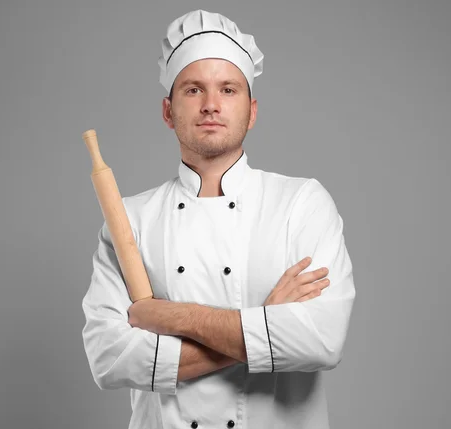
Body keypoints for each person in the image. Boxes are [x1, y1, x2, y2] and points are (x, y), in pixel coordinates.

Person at [81, 9, 356, 429]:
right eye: (193, 90)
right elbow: (110, 358)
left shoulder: (302, 203)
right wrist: (265, 322)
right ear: (168, 111)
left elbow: (320, 340)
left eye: (228, 89)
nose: (211, 105)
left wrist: (173, 316)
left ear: (252, 111)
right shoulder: (130, 220)